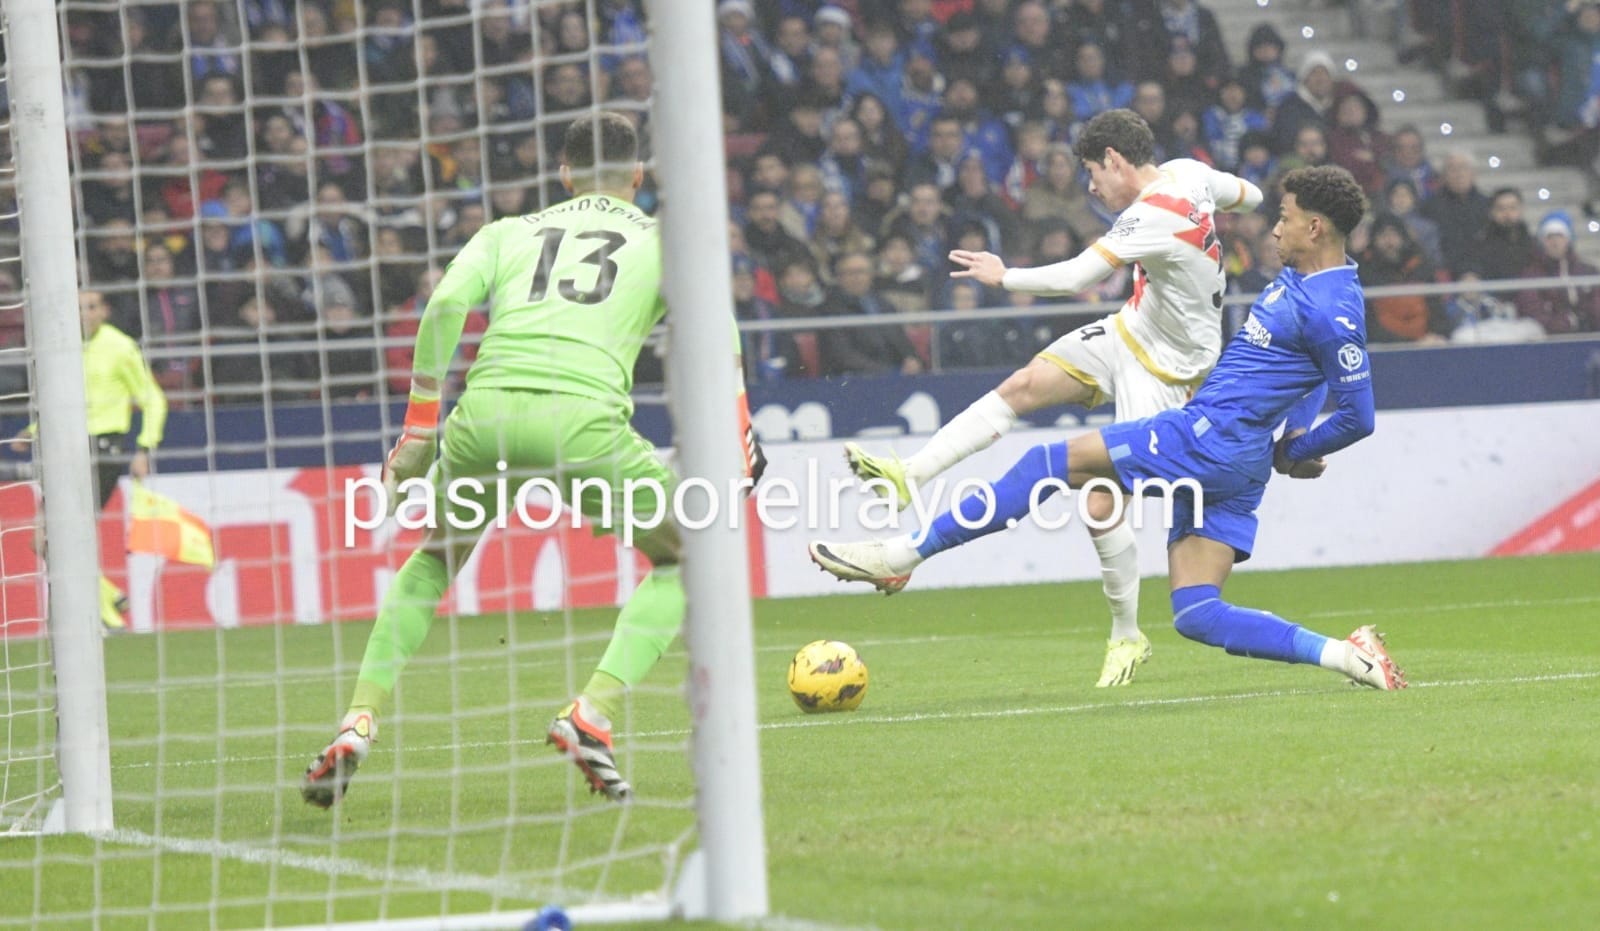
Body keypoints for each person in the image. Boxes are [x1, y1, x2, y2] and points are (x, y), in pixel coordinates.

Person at [302, 113, 763, 808]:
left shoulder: (507, 231)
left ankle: (359, 718)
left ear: (563, 174)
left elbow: (448, 301)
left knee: (433, 559)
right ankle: (592, 712)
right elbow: (715, 329)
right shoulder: (668, 239)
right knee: (692, 556)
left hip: (482, 417)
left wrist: (420, 431)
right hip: (581, 423)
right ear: (638, 178)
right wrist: (739, 430)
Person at [810, 166, 1407, 692]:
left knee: (1048, 465)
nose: (1274, 229)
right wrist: (1290, 441)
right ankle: (1348, 657)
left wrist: (1299, 448)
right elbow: (1314, 376)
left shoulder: (1334, 307)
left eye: (1286, 219)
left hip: (1210, 438)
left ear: (1316, 229)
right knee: (1197, 612)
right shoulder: (1310, 281)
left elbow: (1360, 413)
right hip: (1236, 457)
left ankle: (901, 553)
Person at [843, 109, 1263, 688]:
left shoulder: (1152, 211)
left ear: (1114, 159)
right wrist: (1228, 215)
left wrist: (1003, 276)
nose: (1091, 185)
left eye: (1093, 171)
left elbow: (1074, 278)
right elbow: (1252, 192)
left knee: (1098, 504)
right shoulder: (1188, 174)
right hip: (1131, 331)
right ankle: (910, 474)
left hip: (1171, 377)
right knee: (1024, 385)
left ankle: (1126, 634)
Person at [9, 290, 168, 630]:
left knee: (66, 533)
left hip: (104, 449)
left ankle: (107, 615)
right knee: (40, 539)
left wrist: (144, 446)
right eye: (78, 307)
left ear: (104, 311)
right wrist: (33, 429)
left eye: (91, 307)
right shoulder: (65, 347)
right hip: (66, 448)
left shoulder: (120, 346)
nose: (85, 313)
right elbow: (68, 403)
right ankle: (109, 596)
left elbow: (153, 399)